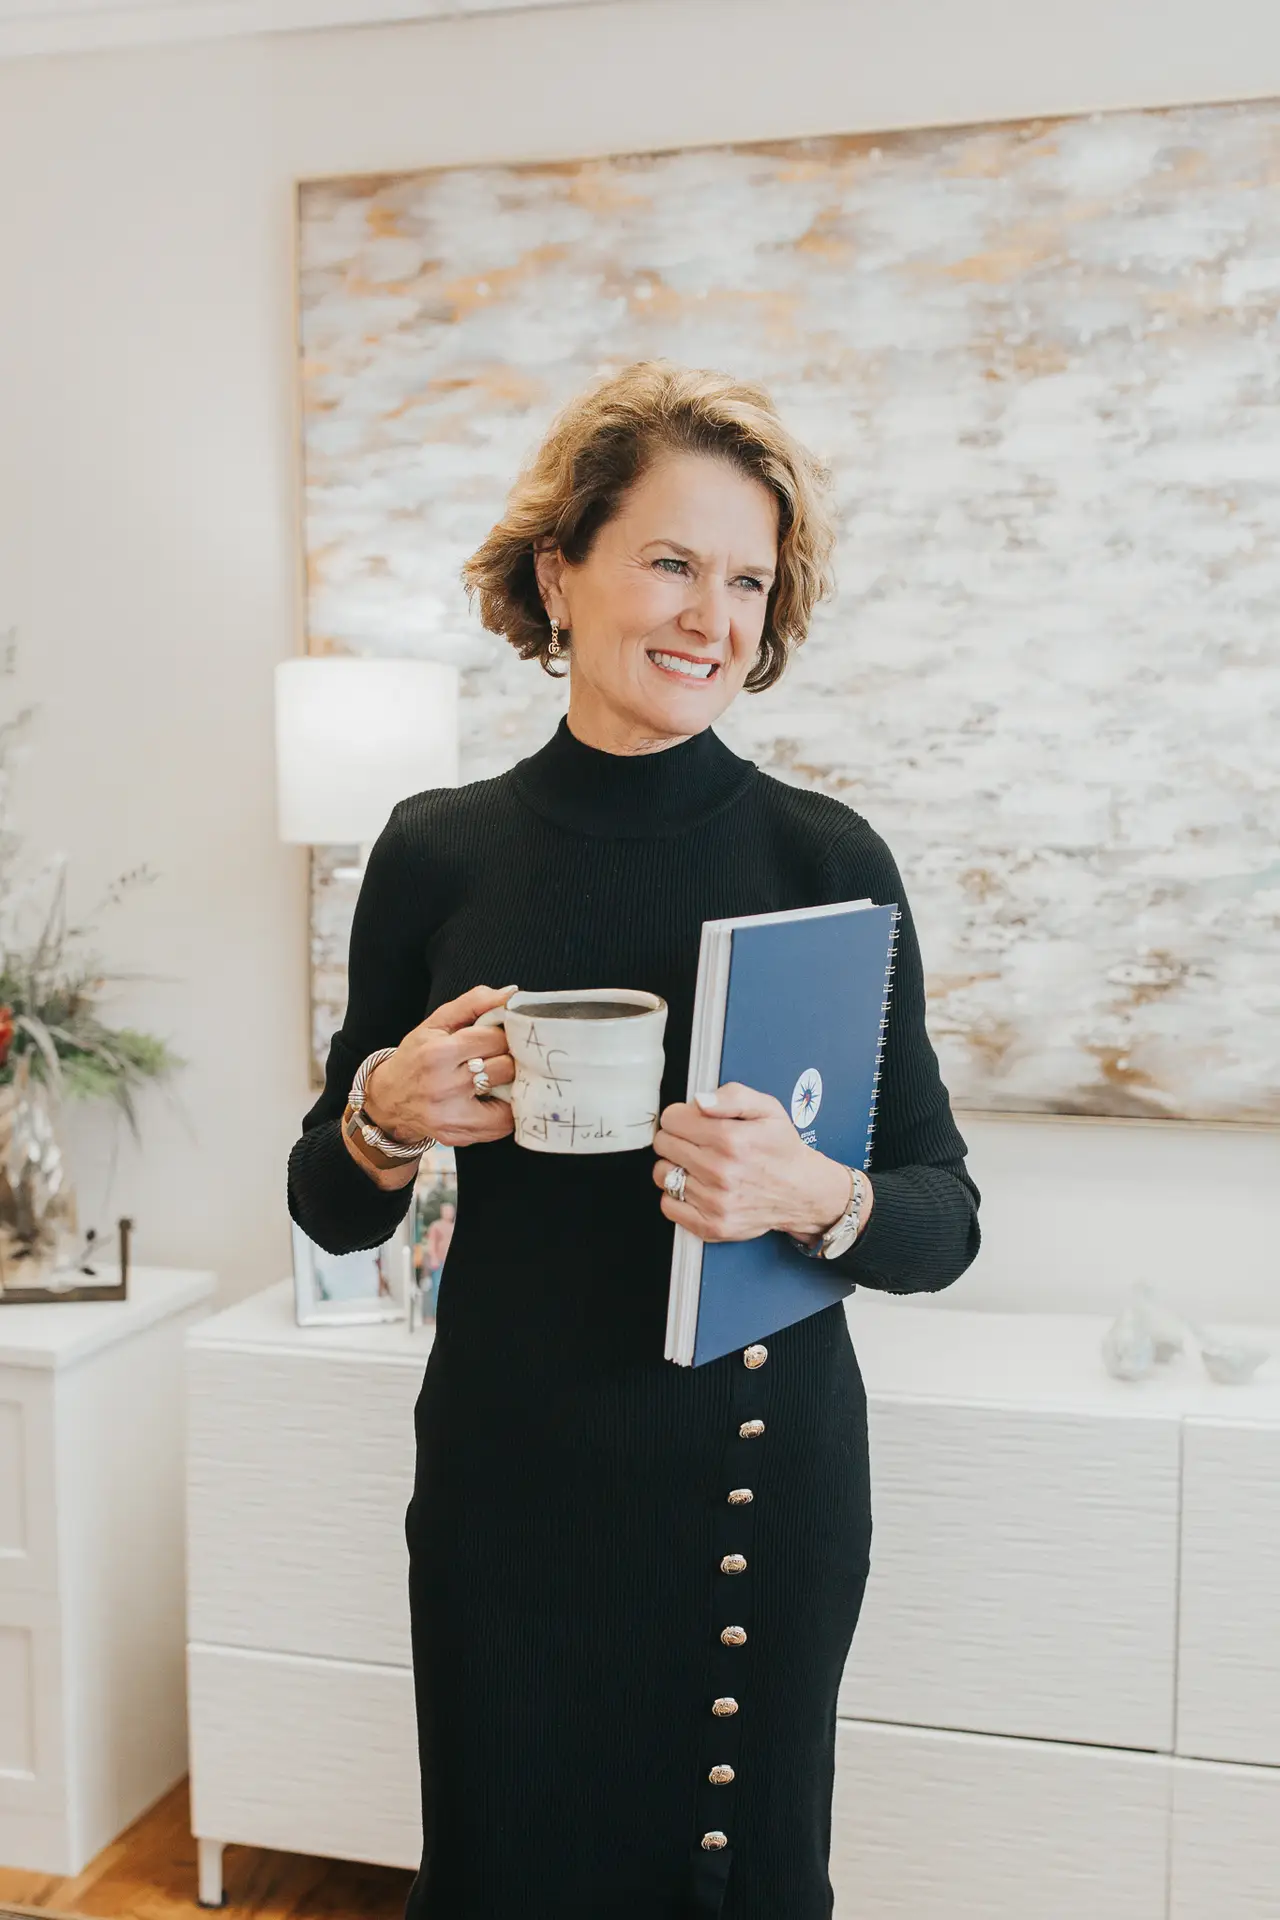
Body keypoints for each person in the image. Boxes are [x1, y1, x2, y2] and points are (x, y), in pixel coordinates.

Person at [287, 361, 980, 1920]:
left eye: (747, 581)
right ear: (560, 571)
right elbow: (329, 1206)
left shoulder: (827, 858)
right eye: (671, 561)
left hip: (755, 1495)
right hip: (511, 1489)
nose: (709, 617)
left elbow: (943, 1215)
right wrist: (386, 1113)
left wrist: (813, 1193)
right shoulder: (437, 852)